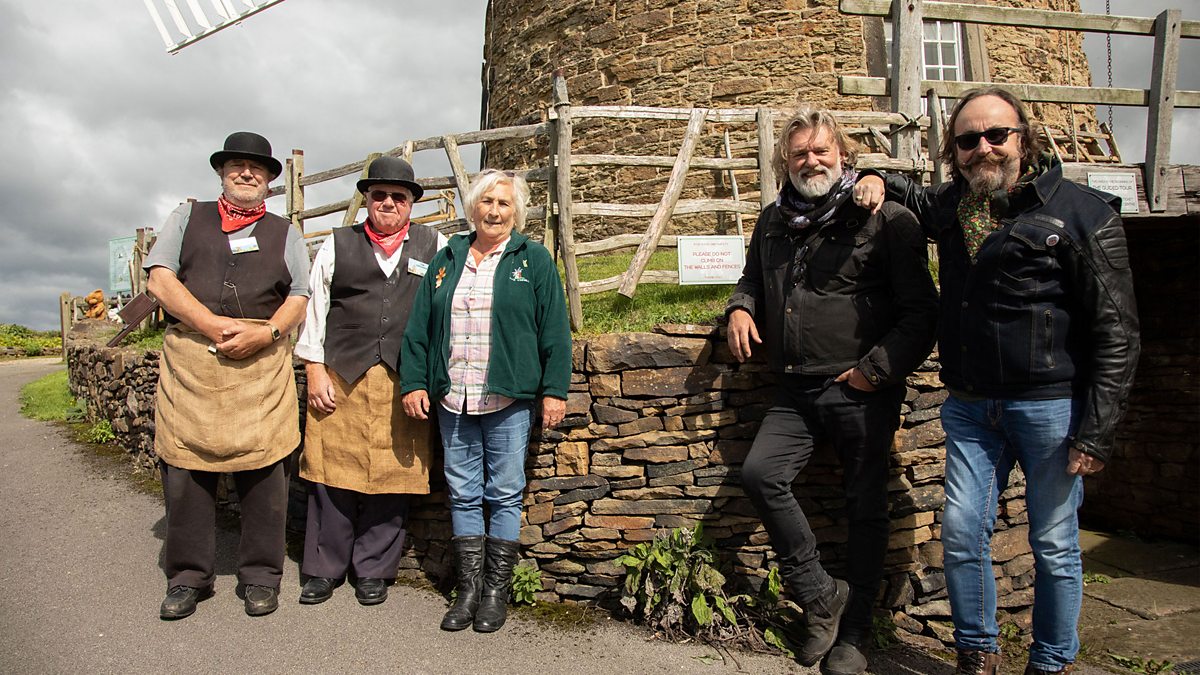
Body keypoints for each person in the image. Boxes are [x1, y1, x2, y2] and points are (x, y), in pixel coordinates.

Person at [852, 86, 1140, 675]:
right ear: (954, 151)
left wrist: (1097, 432)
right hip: (969, 407)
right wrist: (876, 173)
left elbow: (1118, 332)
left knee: (1055, 546)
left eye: (996, 135)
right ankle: (977, 654)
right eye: (967, 140)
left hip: (1050, 410)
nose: (982, 147)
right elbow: (913, 193)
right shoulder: (958, 204)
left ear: (1022, 137)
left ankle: (1051, 663)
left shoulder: (1083, 214)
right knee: (961, 534)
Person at [726, 107, 939, 675]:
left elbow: (921, 312)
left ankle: (856, 635)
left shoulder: (883, 216)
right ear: (784, 163)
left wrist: (876, 370)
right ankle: (822, 597)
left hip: (860, 386)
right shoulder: (773, 220)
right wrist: (741, 308)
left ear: (842, 154)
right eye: (799, 154)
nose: (811, 161)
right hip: (795, 387)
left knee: (864, 506)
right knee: (760, 474)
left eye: (821, 151)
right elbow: (752, 278)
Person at [145, 131, 310, 619]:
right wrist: (213, 325)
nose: (247, 173)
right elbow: (159, 278)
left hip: (262, 368)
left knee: (265, 477)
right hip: (193, 365)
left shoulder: (287, 232)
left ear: (269, 180)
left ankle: (261, 575)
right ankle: (188, 578)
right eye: (237, 164)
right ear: (222, 171)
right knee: (186, 475)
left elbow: (300, 294)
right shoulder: (186, 218)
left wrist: (270, 333)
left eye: (257, 168)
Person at [400, 169, 571, 633]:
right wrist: (415, 382)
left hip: (508, 399)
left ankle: (494, 593)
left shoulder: (532, 259)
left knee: (504, 492)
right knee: (463, 491)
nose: (495, 211)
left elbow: (555, 330)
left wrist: (554, 391)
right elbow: (419, 329)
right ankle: (468, 590)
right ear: (473, 206)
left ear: (517, 212)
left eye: (504, 203)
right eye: (487, 202)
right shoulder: (447, 258)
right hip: (454, 397)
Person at [293, 156, 447, 607]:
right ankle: (323, 569)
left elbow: (444, 310)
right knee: (329, 472)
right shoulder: (337, 245)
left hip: (404, 379)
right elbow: (315, 308)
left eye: (399, 197)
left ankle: (374, 570)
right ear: (366, 200)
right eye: (379, 195)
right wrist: (314, 369)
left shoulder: (434, 244)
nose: (388, 203)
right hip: (341, 375)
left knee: (394, 475)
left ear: (411, 205)